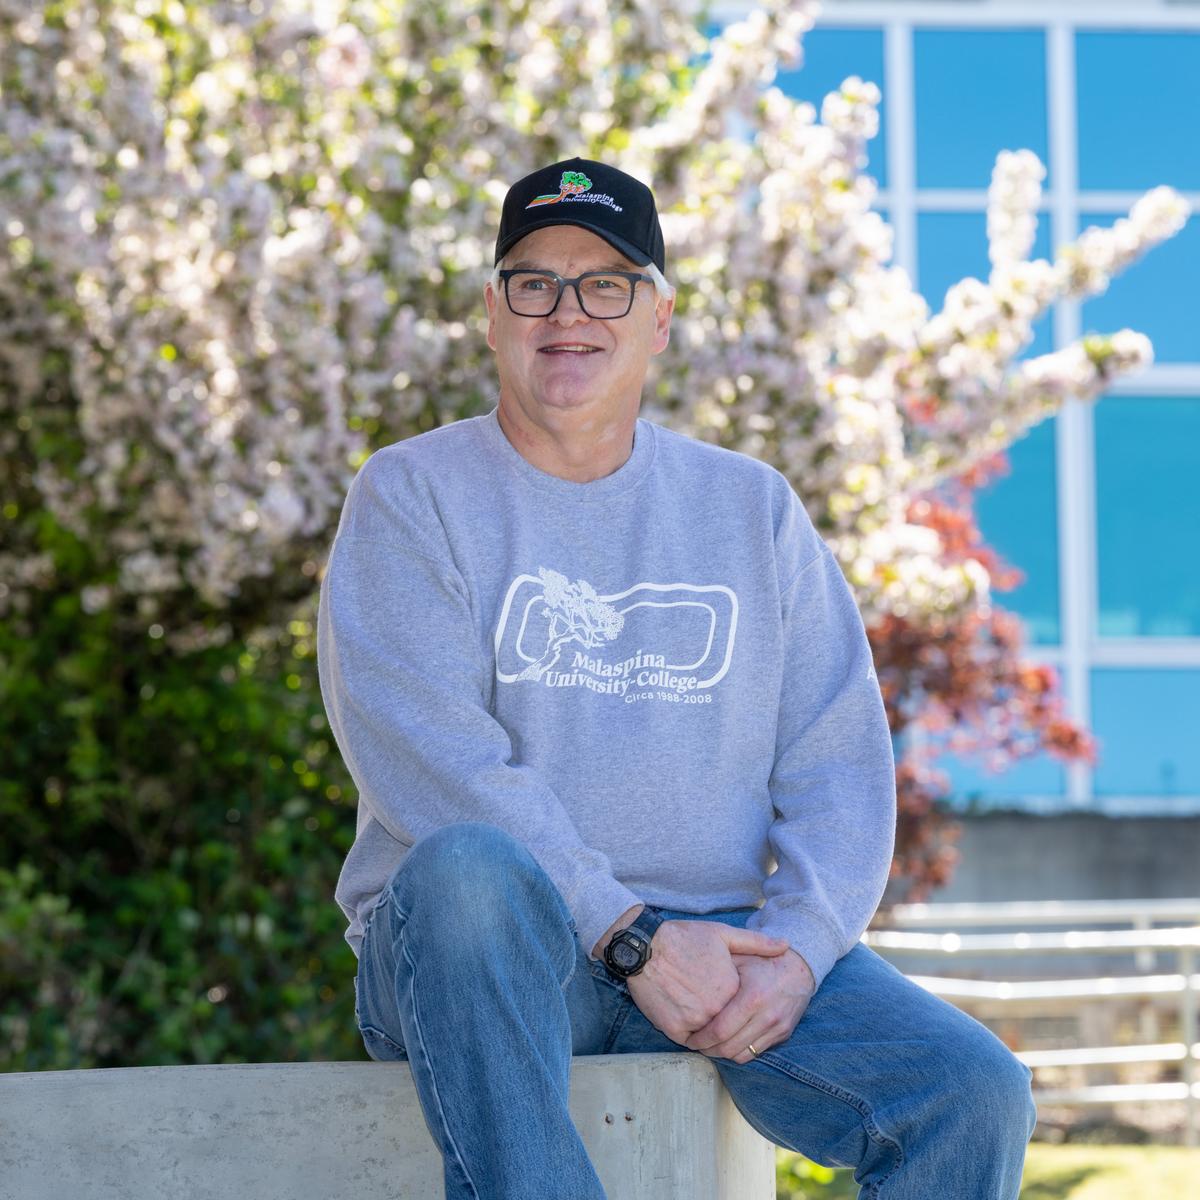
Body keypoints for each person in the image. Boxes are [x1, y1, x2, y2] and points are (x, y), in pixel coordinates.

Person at [315, 156, 1037, 1199]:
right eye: (534, 281)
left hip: (727, 948)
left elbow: (838, 757)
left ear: (657, 319)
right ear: (491, 312)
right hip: (501, 957)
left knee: (971, 1094)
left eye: (606, 283)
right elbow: (432, 764)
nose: (568, 312)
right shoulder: (410, 497)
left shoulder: (751, 510)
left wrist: (795, 950)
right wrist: (628, 933)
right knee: (469, 871)